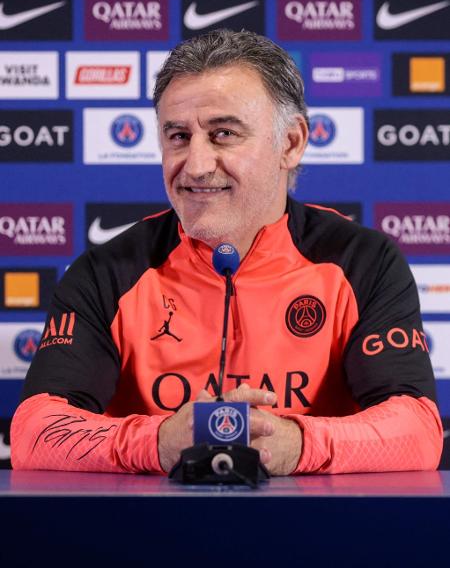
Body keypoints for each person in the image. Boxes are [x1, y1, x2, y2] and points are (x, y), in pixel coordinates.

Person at [11, 30, 442, 476]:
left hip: (316, 535)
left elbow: (417, 428)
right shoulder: (107, 272)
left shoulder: (362, 261)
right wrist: (156, 442)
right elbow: (33, 432)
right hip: (148, 536)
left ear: (291, 144)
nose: (195, 165)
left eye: (223, 134)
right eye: (178, 136)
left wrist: (298, 444)